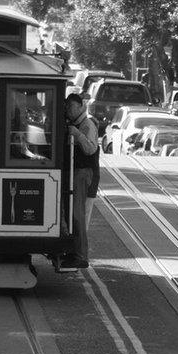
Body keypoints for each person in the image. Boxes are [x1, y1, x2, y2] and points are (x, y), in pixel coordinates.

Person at [63, 93, 99, 270]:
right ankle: (72, 251)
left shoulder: (87, 124)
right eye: (66, 107)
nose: (67, 111)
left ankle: (81, 255)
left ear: (79, 107)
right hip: (74, 172)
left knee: (78, 214)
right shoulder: (75, 124)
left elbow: (91, 149)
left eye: (70, 107)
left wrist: (77, 135)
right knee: (71, 213)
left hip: (82, 173)